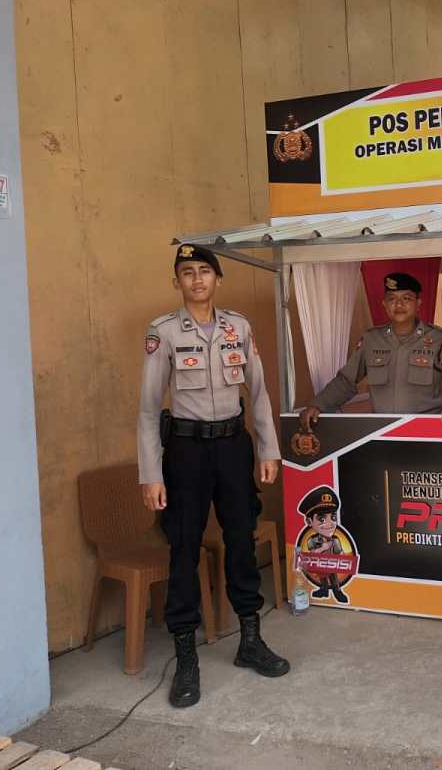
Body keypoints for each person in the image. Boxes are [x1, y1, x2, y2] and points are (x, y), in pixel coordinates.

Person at [138, 243, 289, 709]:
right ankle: (186, 657)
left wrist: (268, 449)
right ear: (177, 282)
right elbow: (148, 410)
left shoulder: (237, 327)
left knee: (241, 540)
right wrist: (151, 474)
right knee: (183, 548)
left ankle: (250, 641)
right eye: (188, 272)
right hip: (185, 452)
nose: (197, 279)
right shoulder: (163, 332)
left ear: (218, 279)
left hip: (233, 447)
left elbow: (259, 392)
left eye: (204, 271)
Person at [297, 272, 442, 430]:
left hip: (427, 430)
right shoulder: (371, 340)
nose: (398, 304)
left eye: (406, 298)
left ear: (418, 303)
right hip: (383, 432)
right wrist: (318, 405)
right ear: (384, 304)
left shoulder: (438, 338)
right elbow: (346, 381)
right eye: (392, 299)